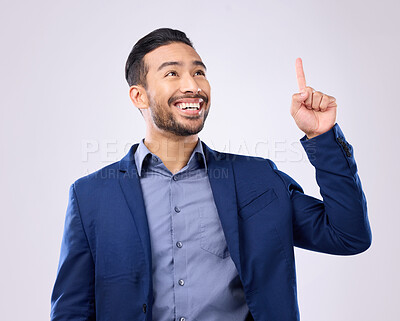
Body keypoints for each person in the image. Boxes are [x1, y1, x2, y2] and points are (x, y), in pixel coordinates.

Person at [50, 28, 372, 321]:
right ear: (139, 96)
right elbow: (72, 312)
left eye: (199, 72)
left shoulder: (257, 180)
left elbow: (348, 235)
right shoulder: (91, 197)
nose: (192, 86)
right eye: (172, 73)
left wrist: (323, 137)